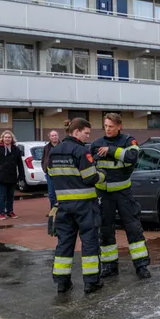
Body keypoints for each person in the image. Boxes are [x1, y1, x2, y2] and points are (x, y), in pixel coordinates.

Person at [48, 118, 105, 294]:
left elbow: (50, 173)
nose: (88, 137)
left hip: (63, 206)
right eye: (86, 133)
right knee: (89, 242)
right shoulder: (81, 151)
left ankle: (62, 283)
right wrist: (102, 175)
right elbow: (90, 177)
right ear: (76, 132)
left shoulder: (54, 152)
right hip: (85, 205)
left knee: (64, 243)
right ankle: (91, 282)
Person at [91, 113, 151, 280]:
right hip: (103, 195)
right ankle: (109, 266)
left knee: (133, 230)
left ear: (119, 126)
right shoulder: (96, 144)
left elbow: (133, 156)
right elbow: (89, 163)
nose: (108, 129)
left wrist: (111, 151)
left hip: (124, 195)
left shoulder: (128, 141)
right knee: (105, 231)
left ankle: (141, 266)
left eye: (111, 126)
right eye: (106, 126)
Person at [0, 130, 24, 221]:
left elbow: (20, 163)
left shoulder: (16, 149)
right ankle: (2, 213)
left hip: (12, 176)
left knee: (10, 195)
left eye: (9, 137)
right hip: (2, 176)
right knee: (2, 195)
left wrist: (21, 175)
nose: (7, 139)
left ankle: (10, 211)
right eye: (6, 137)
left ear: (12, 138)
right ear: (2, 138)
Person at [41, 130, 60, 209]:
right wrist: (45, 169)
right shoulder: (46, 147)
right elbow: (44, 159)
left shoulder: (62, 146)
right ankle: (53, 211)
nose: (54, 137)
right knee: (51, 194)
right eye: (52, 136)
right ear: (49, 137)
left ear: (58, 136)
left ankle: (60, 211)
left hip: (61, 174)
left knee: (60, 193)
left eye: (55, 135)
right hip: (50, 174)